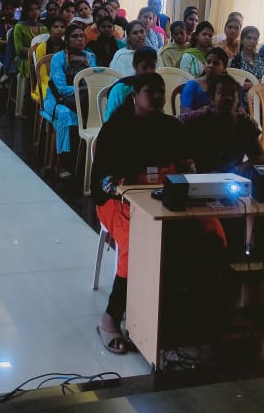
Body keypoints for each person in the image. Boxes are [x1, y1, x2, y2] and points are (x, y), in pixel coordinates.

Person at [90, 72, 202, 354]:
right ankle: (110, 318)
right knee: (136, 243)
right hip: (117, 202)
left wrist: (189, 181)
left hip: (164, 196)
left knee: (209, 228)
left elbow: (187, 165)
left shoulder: (171, 127)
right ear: (135, 96)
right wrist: (130, 191)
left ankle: (187, 312)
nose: (158, 96)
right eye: (150, 91)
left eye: (161, 91)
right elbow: (103, 181)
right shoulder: (116, 129)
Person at [40, 23, 96, 180]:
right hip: (56, 99)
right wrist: (82, 88)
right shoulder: (58, 58)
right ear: (67, 40)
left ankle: (88, 162)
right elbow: (61, 88)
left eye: (81, 36)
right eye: (75, 36)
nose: (79, 39)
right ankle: (61, 164)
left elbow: (93, 82)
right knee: (65, 115)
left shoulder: (90, 57)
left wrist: (83, 89)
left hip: (81, 100)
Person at [180, 74, 264, 175]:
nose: (228, 98)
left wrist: (239, 169)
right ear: (212, 98)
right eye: (222, 93)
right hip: (202, 178)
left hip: (233, 179)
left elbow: (260, 158)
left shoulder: (245, 124)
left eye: (232, 93)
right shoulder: (198, 120)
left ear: (238, 98)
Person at [102, 46, 159, 122]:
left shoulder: (156, 90)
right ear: (134, 65)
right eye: (144, 67)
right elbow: (109, 123)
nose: (149, 72)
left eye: (152, 67)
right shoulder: (120, 90)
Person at [179, 48, 233, 112]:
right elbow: (184, 113)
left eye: (216, 63)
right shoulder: (192, 86)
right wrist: (200, 112)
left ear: (224, 68)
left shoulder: (229, 86)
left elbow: (239, 109)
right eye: (208, 62)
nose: (210, 66)